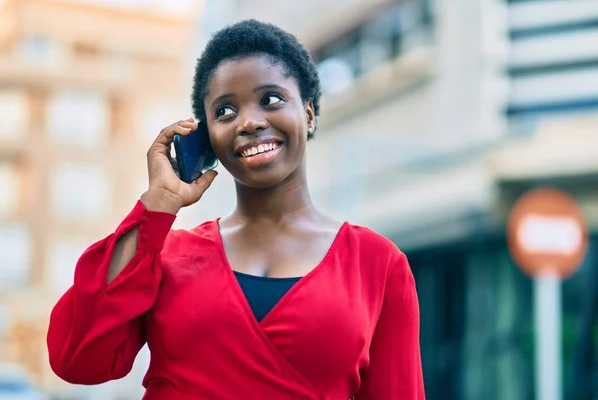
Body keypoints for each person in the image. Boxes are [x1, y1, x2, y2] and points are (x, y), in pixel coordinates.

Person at [47, 19, 424, 400]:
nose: (249, 122)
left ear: (308, 113)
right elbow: (79, 359)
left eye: (271, 100)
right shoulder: (164, 256)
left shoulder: (378, 264)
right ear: (206, 138)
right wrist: (158, 204)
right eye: (225, 111)